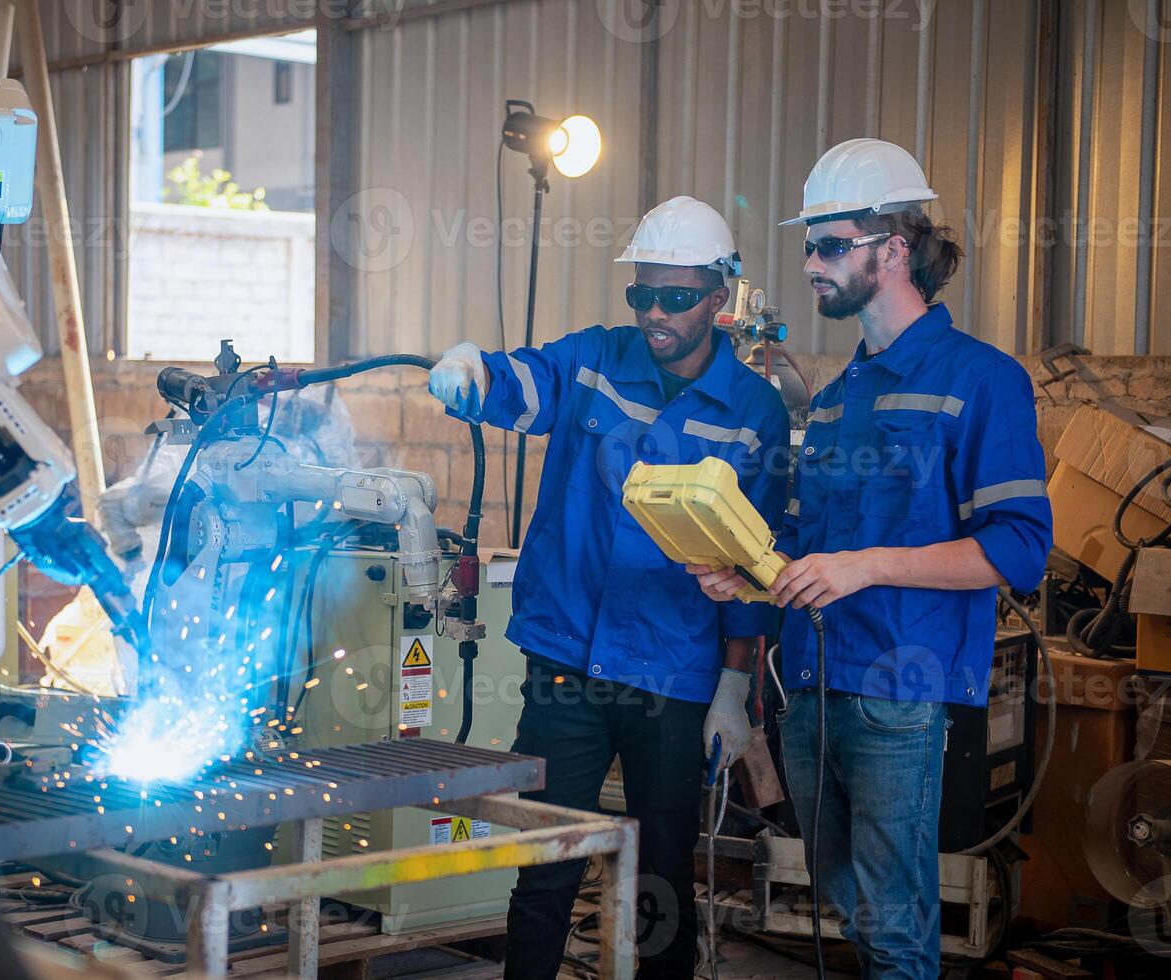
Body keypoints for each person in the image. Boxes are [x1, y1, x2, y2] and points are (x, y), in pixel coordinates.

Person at [689, 139, 1053, 979]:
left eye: (831, 244)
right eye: (810, 244)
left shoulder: (982, 378)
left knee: (891, 926)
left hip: (899, 687)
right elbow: (812, 545)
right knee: (848, 903)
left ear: (894, 249)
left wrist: (868, 566)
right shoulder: (844, 391)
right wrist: (741, 570)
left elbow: (1020, 548)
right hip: (813, 685)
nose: (811, 263)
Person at [427, 196, 789, 978]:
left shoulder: (753, 409)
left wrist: (734, 685)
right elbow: (527, 381)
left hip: (672, 671)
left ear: (720, 299)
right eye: (642, 295)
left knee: (662, 871)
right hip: (566, 660)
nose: (655, 313)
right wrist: (474, 372)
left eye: (677, 298)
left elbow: (759, 563)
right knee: (547, 861)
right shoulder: (595, 360)